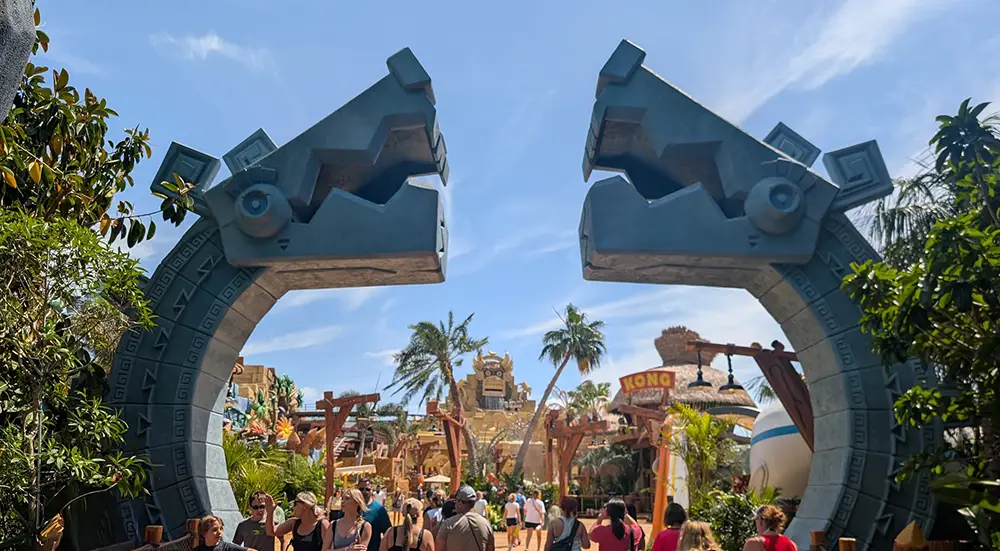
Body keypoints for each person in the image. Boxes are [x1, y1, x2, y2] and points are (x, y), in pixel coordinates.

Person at [264, 491, 331, 551]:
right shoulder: (294, 523)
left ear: (305, 505)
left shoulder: (322, 524)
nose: (293, 507)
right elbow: (271, 532)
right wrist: (270, 512)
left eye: (295, 503)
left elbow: (329, 548)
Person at [436, 485, 495, 551]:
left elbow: (438, 547)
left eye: (456, 501)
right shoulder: (486, 523)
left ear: (460, 503)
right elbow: (491, 548)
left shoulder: (449, 523)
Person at [359, 477, 392, 551]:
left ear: (371, 491)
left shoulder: (379, 510)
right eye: (361, 489)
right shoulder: (350, 507)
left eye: (367, 489)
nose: (364, 492)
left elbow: (387, 533)